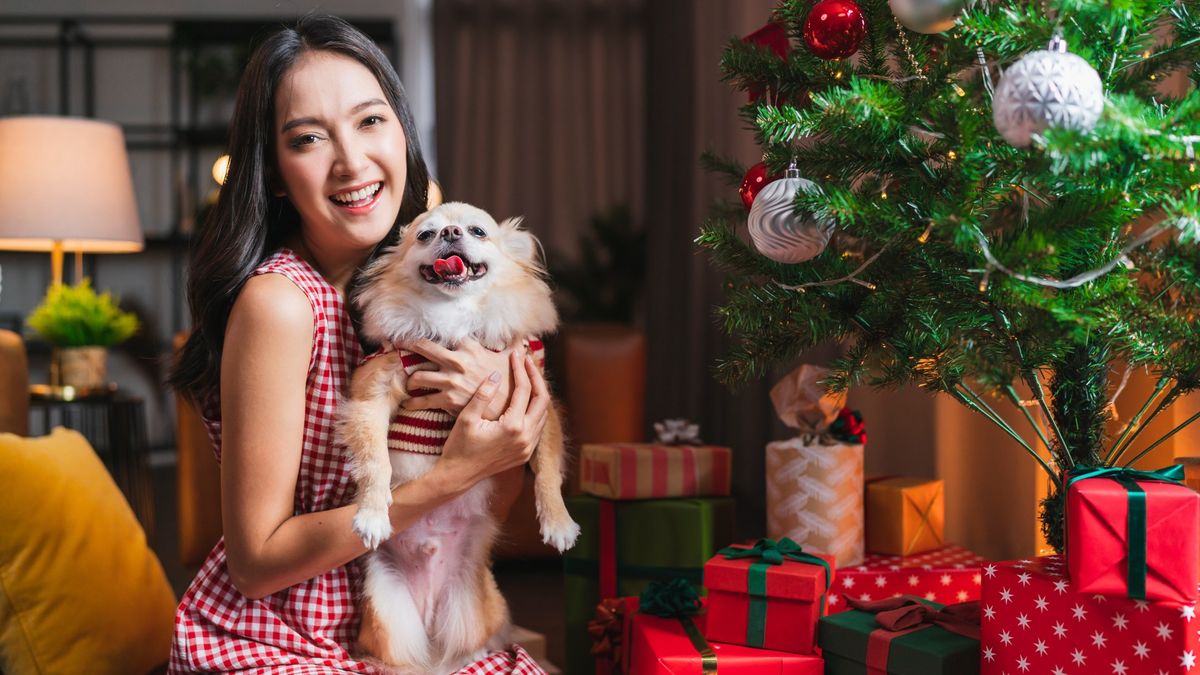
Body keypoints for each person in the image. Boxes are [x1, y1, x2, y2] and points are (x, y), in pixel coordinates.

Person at [168, 15, 548, 674]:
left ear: (403, 131)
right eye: (309, 138)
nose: (351, 160)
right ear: (277, 173)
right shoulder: (280, 304)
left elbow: (490, 509)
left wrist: (495, 435)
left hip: (409, 628)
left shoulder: (423, 285)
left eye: (370, 121)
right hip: (285, 639)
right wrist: (451, 473)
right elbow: (256, 564)